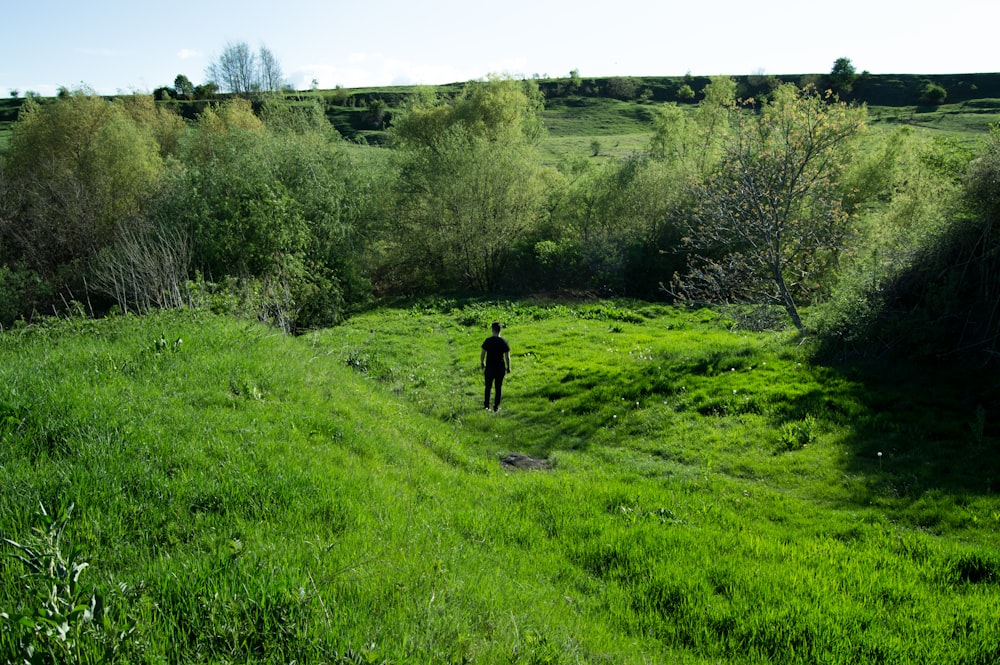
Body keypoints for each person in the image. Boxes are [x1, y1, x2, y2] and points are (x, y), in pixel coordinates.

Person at [480, 321, 510, 412]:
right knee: (498, 387)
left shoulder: (488, 341)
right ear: (500, 330)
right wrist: (508, 367)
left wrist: (482, 363)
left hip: (489, 367)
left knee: (488, 387)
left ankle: (486, 406)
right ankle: (496, 407)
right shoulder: (504, 342)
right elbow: (507, 357)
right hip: (500, 368)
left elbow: (482, 354)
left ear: (492, 330)